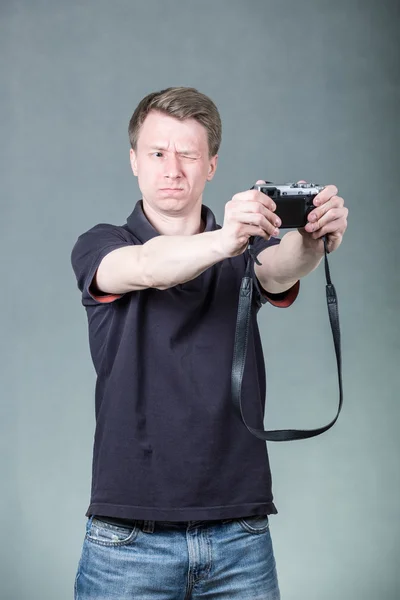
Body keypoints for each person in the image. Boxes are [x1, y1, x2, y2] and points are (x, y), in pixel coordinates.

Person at [71, 86, 348, 599]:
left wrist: (314, 238)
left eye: (188, 155)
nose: (172, 169)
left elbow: (279, 268)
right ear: (134, 160)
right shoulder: (101, 243)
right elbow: (147, 267)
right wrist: (225, 242)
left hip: (239, 530)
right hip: (128, 535)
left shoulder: (247, 246)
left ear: (211, 166)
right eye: (157, 153)